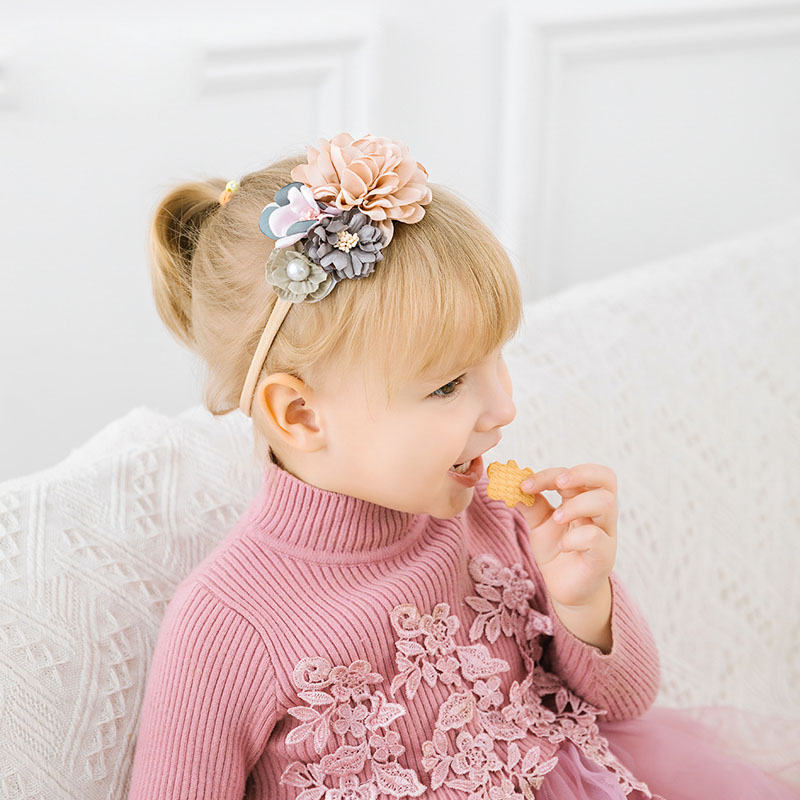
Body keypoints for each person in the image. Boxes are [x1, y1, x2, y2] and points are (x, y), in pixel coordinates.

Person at [127, 132, 800, 799]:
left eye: (497, 360)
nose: (502, 407)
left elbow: (624, 705)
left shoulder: (495, 518)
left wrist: (582, 600)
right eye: (448, 385)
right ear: (300, 417)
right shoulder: (228, 626)